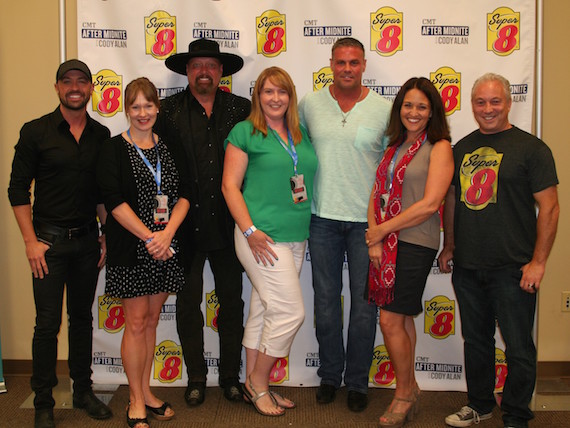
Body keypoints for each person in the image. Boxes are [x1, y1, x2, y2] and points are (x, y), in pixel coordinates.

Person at [438, 73, 559, 428]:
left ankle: (517, 414)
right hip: (469, 265)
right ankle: (479, 404)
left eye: (495, 101)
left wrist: (538, 262)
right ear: (472, 105)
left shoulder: (532, 149)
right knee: (476, 340)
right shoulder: (461, 148)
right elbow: (452, 200)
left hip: (514, 268)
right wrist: (450, 245)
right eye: (480, 102)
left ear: (508, 103)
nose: (487, 109)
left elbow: (549, 207)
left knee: (519, 346)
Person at [8, 59, 113, 428]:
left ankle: (83, 391)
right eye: (67, 81)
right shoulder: (36, 131)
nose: (74, 87)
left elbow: (101, 193)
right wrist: (29, 242)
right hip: (47, 246)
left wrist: (104, 234)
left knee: (82, 320)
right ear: (56, 87)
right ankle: (42, 403)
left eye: (81, 81)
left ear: (89, 89)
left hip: (87, 244)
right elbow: (17, 190)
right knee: (47, 325)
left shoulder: (101, 135)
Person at [154, 38, 251, 405]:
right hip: (183, 227)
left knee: (232, 304)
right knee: (187, 304)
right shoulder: (168, 111)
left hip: (230, 225)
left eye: (211, 65)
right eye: (197, 66)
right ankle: (195, 377)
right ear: (187, 71)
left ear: (221, 71)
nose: (204, 72)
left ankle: (229, 377)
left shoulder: (242, 109)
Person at [298, 37, 392, 412]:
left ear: (365, 65)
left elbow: (389, 169)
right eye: (341, 62)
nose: (347, 69)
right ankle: (329, 375)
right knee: (325, 303)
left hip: (366, 225)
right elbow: (297, 152)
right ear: (331, 64)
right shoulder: (310, 104)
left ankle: (357, 381)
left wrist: (385, 224)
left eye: (354, 62)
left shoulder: (384, 109)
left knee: (365, 307)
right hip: (321, 219)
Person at [222, 67, 318, 416]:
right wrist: (249, 231)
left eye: (282, 92)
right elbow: (229, 186)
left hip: (296, 235)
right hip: (260, 237)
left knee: (264, 309)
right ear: (257, 97)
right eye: (268, 92)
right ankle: (257, 384)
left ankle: (254, 383)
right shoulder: (244, 132)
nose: (275, 98)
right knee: (290, 312)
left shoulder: (300, 133)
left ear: (290, 97)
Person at [97, 78, 191, 428]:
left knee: (151, 322)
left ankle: (147, 390)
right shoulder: (112, 149)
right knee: (135, 324)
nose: (142, 113)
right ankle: (135, 399)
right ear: (126, 110)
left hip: (165, 248)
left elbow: (184, 195)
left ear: (157, 108)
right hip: (131, 250)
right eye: (135, 106)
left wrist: (166, 235)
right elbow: (114, 202)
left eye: (148, 106)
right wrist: (151, 237)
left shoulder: (169, 147)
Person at [365, 77, 453, 427]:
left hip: (416, 242)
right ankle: (411, 387)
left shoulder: (440, 147)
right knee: (398, 318)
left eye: (421, 106)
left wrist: (382, 230)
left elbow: (431, 204)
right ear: (398, 108)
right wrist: (375, 238)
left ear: (432, 111)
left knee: (389, 320)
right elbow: (376, 192)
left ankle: (403, 395)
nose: (413, 112)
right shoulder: (394, 145)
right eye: (408, 105)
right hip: (386, 242)